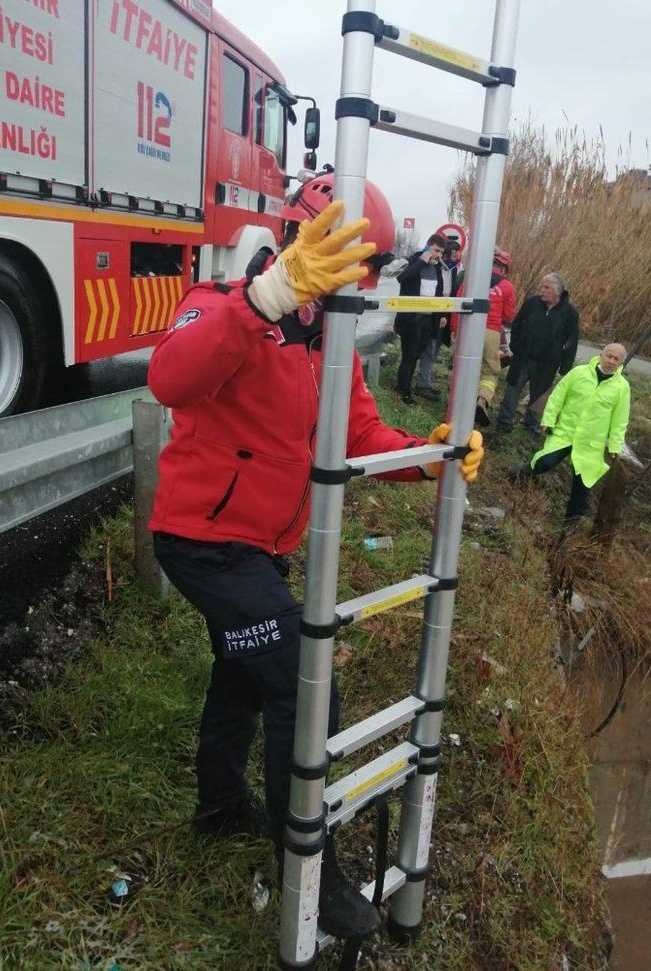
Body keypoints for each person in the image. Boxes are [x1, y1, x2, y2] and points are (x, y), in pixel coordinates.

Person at [147, 180, 484, 941]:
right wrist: (267, 297)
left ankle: (218, 799)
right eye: (335, 272)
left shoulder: (329, 348)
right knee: (304, 676)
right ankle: (309, 868)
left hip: (259, 548)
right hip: (202, 540)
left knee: (244, 665)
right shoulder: (227, 302)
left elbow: (359, 435)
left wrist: (431, 455)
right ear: (300, 246)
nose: (348, 296)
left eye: (359, 280)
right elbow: (169, 374)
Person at [520, 343, 630, 521]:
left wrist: (615, 447)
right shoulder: (579, 373)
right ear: (601, 355)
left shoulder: (621, 387)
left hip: (591, 445)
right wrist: (548, 420)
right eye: (609, 356)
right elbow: (557, 397)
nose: (611, 361)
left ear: (620, 363)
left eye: (616, 359)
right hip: (565, 433)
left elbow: (620, 420)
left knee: (582, 485)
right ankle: (520, 474)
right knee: (544, 461)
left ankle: (571, 525)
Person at [497, 272, 579, 432]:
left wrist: (565, 366)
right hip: (523, 356)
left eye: (546, 287)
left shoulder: (569, 313)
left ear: (558, 291)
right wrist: (516, 346)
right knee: (512, 389)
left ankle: (532, 424)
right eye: (542, 286)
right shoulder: (532, 303)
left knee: (540, 394)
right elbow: (517, 324)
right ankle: (504, 421)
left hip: (548, 362)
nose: (542, 290)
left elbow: (572, 341)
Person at [394, 233, 446, 404]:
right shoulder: (414, 260)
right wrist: (422, 261)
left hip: (427, 319)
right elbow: (402, 278)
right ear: (427, 246)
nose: (438, 255)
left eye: (441, 252)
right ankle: (404, 392)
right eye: (436, 250)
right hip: (410, 318)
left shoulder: (437, 267)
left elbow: (438, 294)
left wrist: (440, 316)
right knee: (409, 355)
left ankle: (404, 386)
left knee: (416, 355)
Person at [415, 238, 462, 400]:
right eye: (455, 254)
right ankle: (422, 383)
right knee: (429, 346)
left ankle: (424, 380)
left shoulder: (454, 269)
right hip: (435, 310)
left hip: (447, 310)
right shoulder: (436, 267)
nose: (457, 257)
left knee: (435, 347)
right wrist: (441, 313)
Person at [474, 249, 517, 426]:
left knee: (463, 366)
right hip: (491, 331)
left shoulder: (475, 279)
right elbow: (508, 316)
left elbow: (460, 298)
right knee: (490, 371)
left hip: (468, 328)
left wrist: (454, 328)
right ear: (505, 268)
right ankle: (482, 400)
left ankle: (456, 403)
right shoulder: (507, 286)